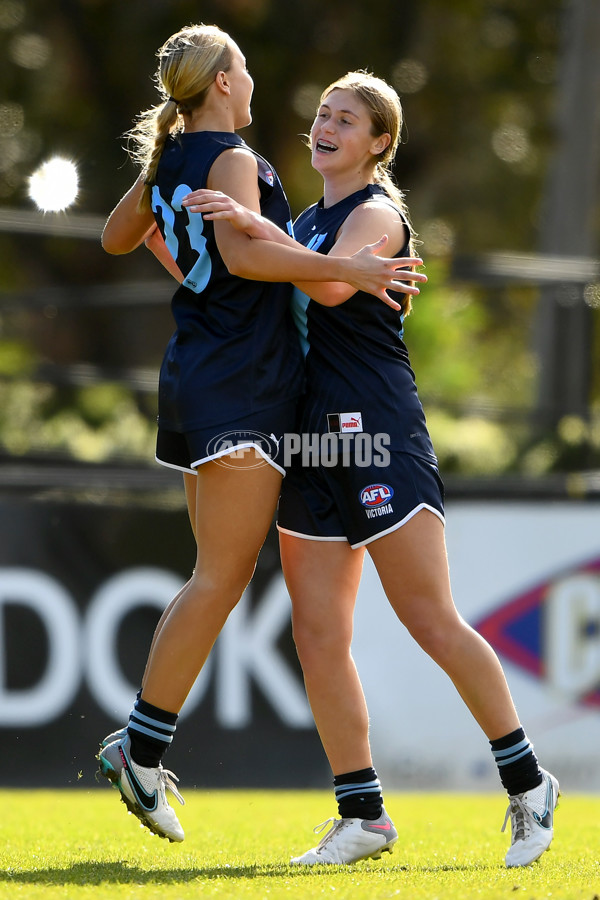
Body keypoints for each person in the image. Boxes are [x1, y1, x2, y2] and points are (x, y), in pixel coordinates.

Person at [182, 71, 559, 868]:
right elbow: (259, 276)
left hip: (378, 434)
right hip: (312, 443)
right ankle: (364, 816)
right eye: (322, 113)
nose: (325, 125)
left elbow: (323, 286)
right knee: (317, 634)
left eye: (346, 119)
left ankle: (529, 783)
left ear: (379, 143)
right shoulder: (309, 217)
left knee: (430, 618)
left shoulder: (376, 213)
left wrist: (247, 218)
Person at [95, 27, 426, 845]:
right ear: (220, 84)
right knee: (219, 580)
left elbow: (121, 238)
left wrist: (201, 271)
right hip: (241, 387)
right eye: (242, 64)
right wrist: (352, 271)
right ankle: (138, 748)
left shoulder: (169, 158)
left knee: (213, 575)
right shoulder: (231, 154)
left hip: (194, 374)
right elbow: (244, 260)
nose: (252, 75)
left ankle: (138, 743)